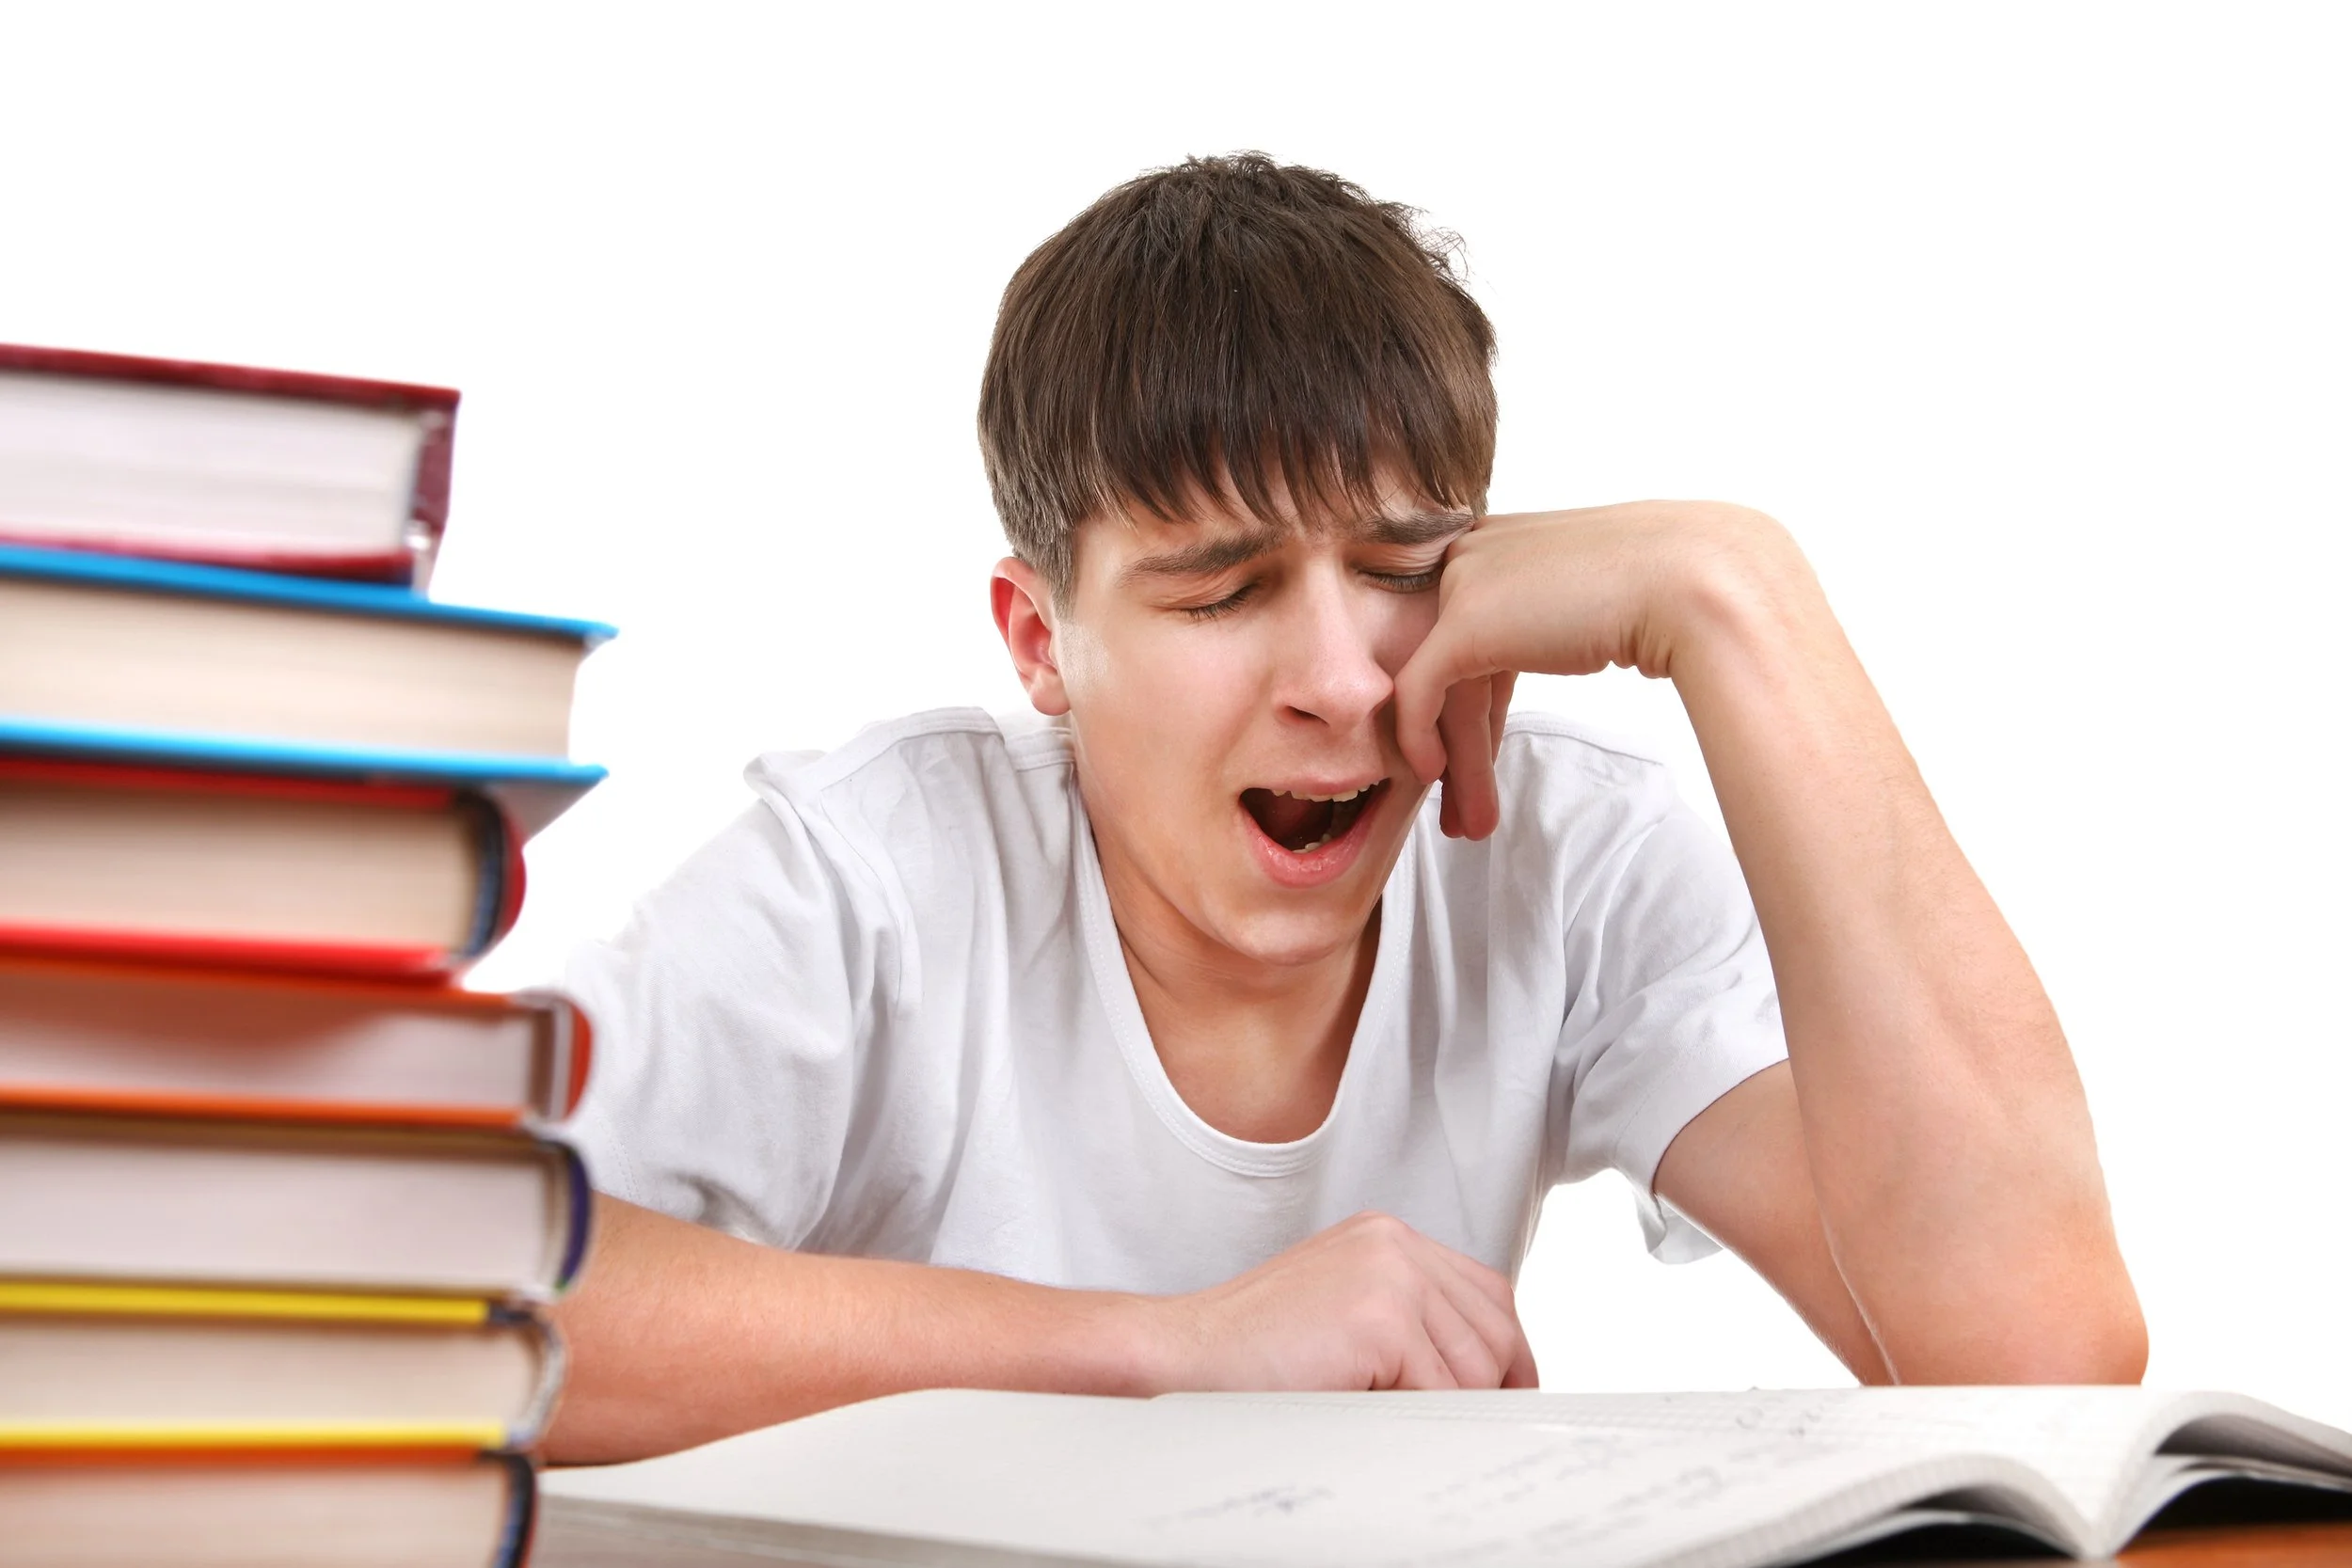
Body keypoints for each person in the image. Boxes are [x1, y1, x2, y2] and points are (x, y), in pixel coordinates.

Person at [545, 153, 2145, 1465]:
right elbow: (444, 1294)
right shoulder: (881, 877)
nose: (1342, 680)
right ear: (1044, 642)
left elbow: (2039, 1360)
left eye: (1400, 575)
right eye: (1223, 592)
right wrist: (1172, 1352)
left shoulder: (1562, 856)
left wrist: (1734, 597)